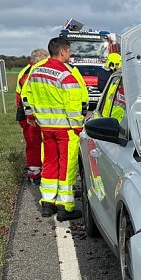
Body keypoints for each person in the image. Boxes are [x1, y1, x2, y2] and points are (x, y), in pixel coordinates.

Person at [21, 37, 87, 220]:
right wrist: (78, 127)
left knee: (49, 163)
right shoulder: (66, 75)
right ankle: (65, 207)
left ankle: (47, 203)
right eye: (69, 51)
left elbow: (26, 96)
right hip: (66, 130)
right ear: (63, 52)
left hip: (45, 128)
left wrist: (30, 115)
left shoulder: (35, 71)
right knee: (67, 167)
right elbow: (73, 106)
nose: (70, 54)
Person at [15, 48, 49, 183]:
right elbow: (26, 97)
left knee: (33, 144)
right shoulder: (34, 72)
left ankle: (35, 172)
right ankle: (36, 173)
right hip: (32, 115)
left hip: (26, 113)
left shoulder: (25, 71)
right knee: (36, 144)